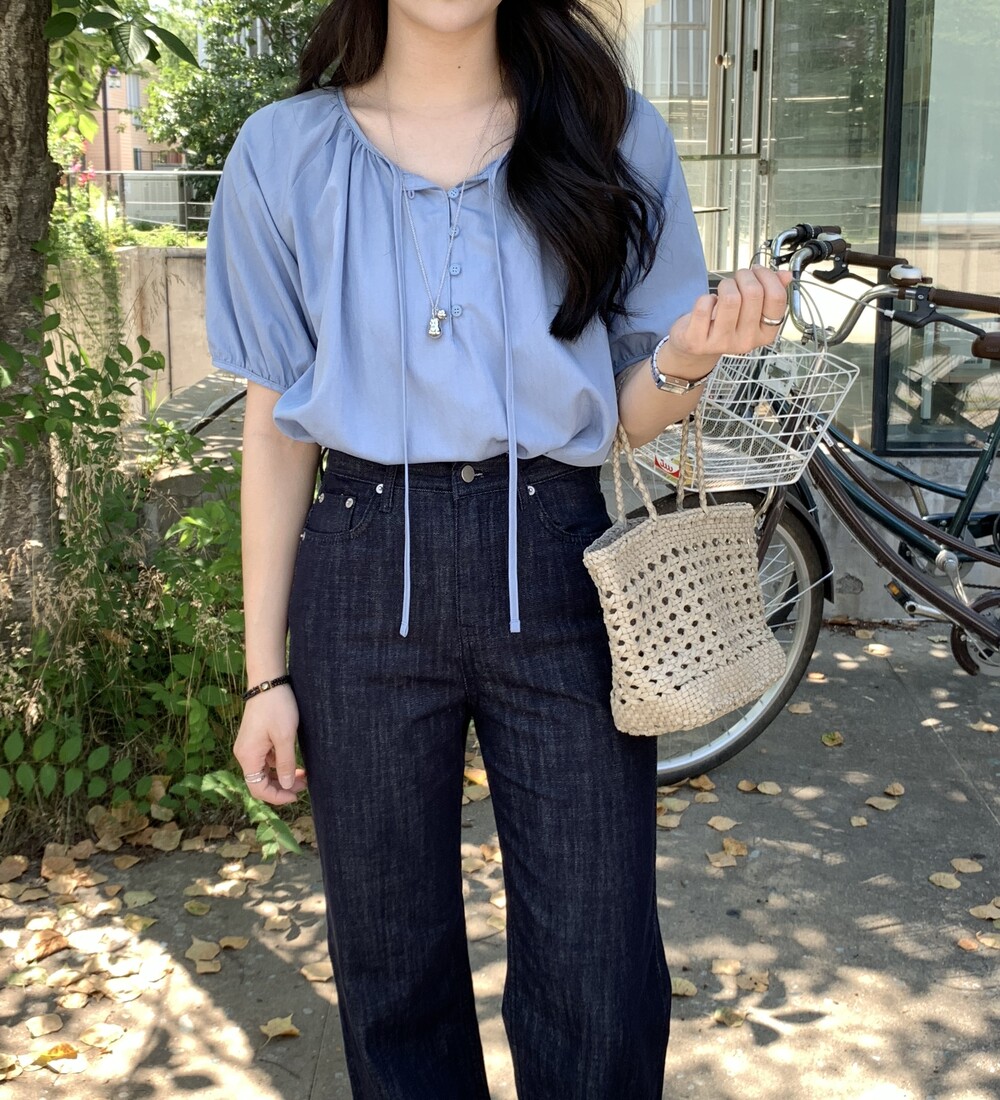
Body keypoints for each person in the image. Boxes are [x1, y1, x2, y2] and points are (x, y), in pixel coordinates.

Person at [205, 1, 791, 1096]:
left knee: (598, 957)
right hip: (362, 564)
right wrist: (263, 675)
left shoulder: (609, 131)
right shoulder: (283, 153)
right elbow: (275, 430)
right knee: (390, 962)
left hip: (557, 553)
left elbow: (628, 416)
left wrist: (689, 356)